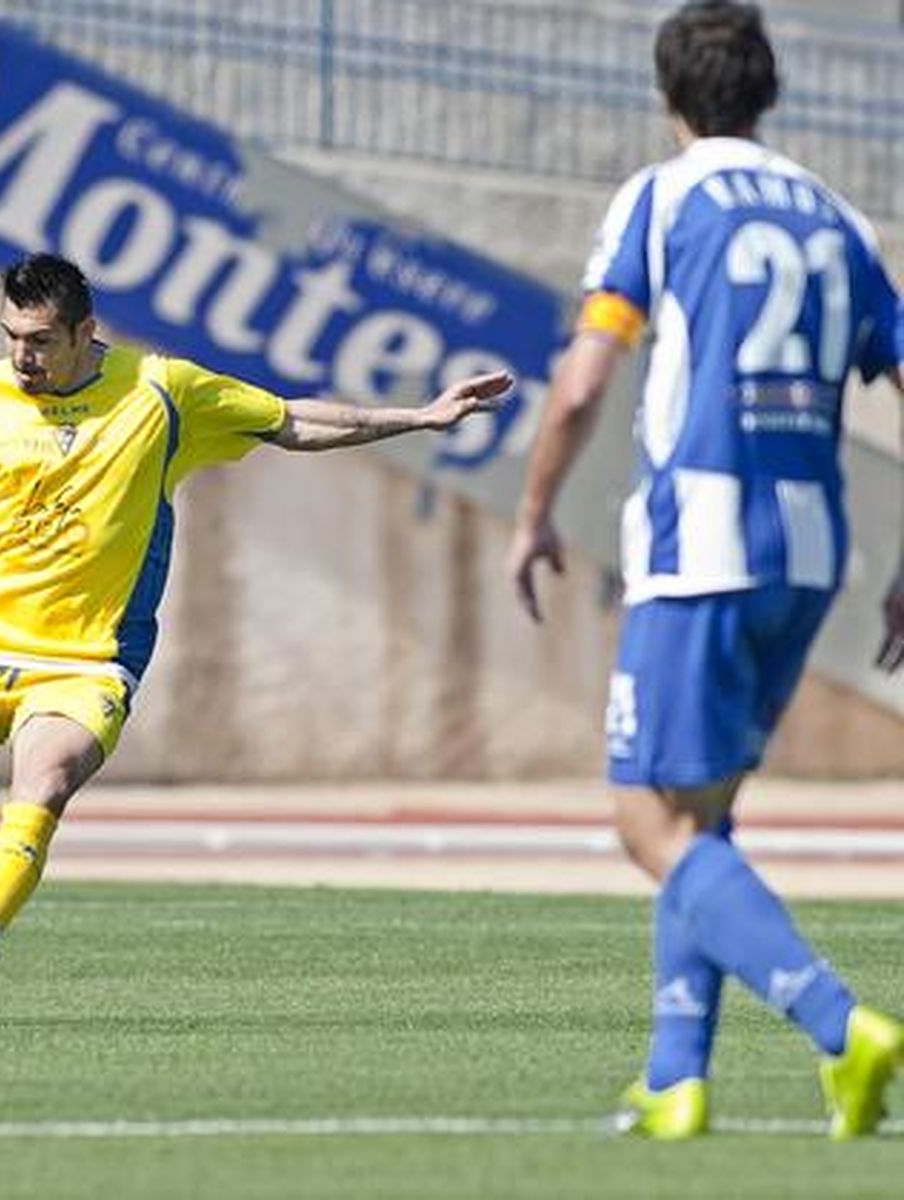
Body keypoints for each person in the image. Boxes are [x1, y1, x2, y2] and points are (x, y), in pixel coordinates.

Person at [0, 252, 511, 1016]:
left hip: (84, 662)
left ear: (85, 331)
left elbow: (290, 421)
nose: (22, 356)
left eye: (40, 341)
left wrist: (420, 417)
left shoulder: (161, 392)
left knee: (44, 784)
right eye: (11, 336)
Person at [508, 1, 904, 1141]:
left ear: (666, 95)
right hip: (810, 553)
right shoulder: (836, 217)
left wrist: (531, 515)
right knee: (701, 819)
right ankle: (676, 1078)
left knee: (645, 821)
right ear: (769, 93)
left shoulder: (662, 197)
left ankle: (842, 1026)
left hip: (701, 548)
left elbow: (584, 381)